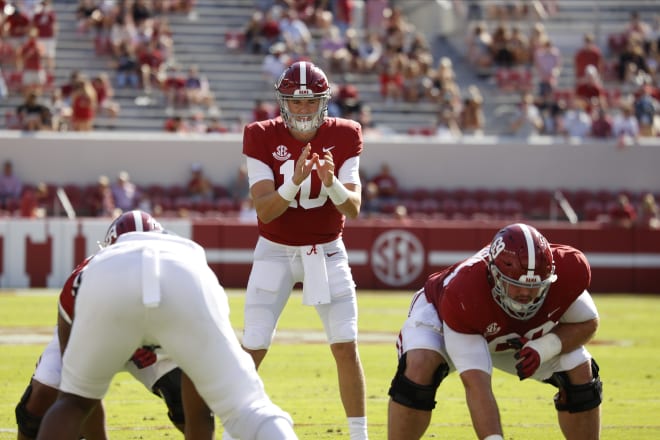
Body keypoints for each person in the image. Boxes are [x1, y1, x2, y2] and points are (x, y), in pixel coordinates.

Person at [35, 210, 298, 440]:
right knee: (248, 405)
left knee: (73, 402)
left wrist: (77, 396)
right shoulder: (187, 251)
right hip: (184, 276)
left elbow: (76, 386)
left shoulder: (91, 267)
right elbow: (199, 406)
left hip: (110, 279)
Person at [236, 61, 368, 440]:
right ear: (283, 102)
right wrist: (294, 181)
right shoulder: (260, 135)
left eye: (311, 102)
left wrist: (331, 184)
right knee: (254, 346)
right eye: (296, 102)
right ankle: (231, 430)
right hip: (274, 251)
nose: (304, 110)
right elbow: (266, 209)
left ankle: (359, 436)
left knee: (345, 344)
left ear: (324, 102)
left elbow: (352, 208)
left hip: (326, 250)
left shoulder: (346, 134)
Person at [387, 223, 602, 440]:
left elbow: (587, 322)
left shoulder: (568, 271)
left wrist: (543, 347)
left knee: (580, 367)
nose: (524, 295)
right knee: (419, 367)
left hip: (512, 337)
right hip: (446, 318)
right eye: (515, 284)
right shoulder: (465, 293)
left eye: (534, 286)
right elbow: (476, 384)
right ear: (495, 275)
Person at [15, 212, 189, 439]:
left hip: (151, 345)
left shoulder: (182, 278)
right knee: (42, 397)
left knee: (186, 399)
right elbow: (76, 375)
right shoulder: (85, 281)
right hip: (91, 335)